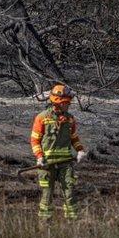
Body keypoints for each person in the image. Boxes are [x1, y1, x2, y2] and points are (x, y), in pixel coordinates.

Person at [29, 83, 87, 220]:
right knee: (47, 195)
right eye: (66, 102)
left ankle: (73, 224)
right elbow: (34, 140)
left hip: (66, 164)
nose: (68, 105)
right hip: (47, 165)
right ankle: (45, 224)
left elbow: (74, 138)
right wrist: (39, 157)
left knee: (70, 193)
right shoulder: (42, 118)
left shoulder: (70, 119)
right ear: (58, 102)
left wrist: (80, 150)